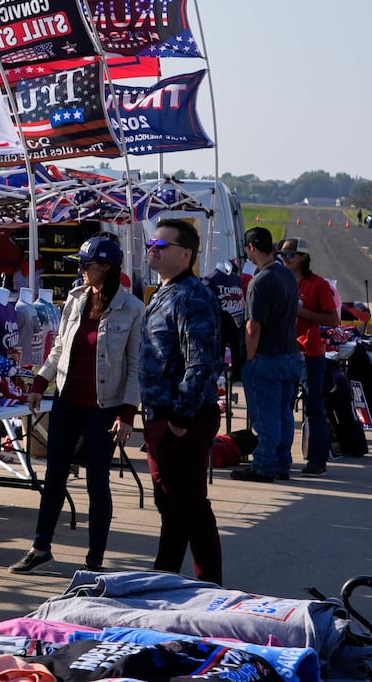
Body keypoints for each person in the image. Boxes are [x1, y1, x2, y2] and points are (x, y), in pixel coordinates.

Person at [10, 234, 143, 575]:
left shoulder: (132, 309)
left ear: (107, 268)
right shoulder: (76, 298)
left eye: (86, 265)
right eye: (80, 265)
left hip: (104, 407)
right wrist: (40, 382)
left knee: (97, 482)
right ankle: (40, 547)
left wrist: (127, 413)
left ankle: (94, 560)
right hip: (67, 401)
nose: (81, 270)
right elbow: (59, 349)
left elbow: (135, 367)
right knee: (54, 476)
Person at [140, 218, 224, 583]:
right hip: (161, 415)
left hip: (182, 418)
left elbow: (203, 361)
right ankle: (166, 578)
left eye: (162, 245)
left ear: (186, 254)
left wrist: (179, 418)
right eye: (152, 244)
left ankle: (209, 584)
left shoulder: (193, 295)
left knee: (189, 506)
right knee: (170, 506)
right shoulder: (164, 291)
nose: (152, 249)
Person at [234, 226, 301, 482]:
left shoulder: (259, 281)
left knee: (265, 416)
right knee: (284, 413)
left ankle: (263, 465)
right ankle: (282, 462)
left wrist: (250, 359)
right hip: (290, 353)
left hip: (267, 356)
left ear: (251, 247)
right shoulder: (286, 275)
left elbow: (253, 326)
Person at [279, 237, 334, 477]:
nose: (285, 258)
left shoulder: (318, 285)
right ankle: (281, 457)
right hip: (284, 351)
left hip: (310, 353)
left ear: (303, 256)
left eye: (290, 254)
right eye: (282, 255)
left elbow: (333, 320)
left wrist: (303, 313)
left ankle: (317, 460)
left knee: (314, 408)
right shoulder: (280, 281)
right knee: (283, 407)